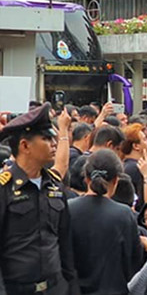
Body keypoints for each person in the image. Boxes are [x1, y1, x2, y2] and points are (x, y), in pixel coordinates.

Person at [0, 102, 80, 294]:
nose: (54, 144)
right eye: (46, 139)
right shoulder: (4, 189)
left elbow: (65, 242)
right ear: (25, 145)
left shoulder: (54, 184)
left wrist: (71, 285)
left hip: (55, 287)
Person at [68, 149, 143, 295]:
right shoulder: (124, 214)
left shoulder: (69, 209)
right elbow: (135, 261)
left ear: (86, 179)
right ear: (116, 180)